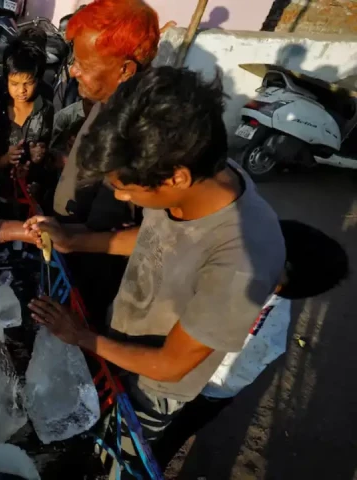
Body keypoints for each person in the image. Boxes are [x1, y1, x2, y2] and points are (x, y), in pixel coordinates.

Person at [25, 67, 286, 477]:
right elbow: (154, 239)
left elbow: (170, 364)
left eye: (128, 188)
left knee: (113, 455)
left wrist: (80, 336)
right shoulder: (199, 179)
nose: (122, 197)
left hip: (150, 389)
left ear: (177, 176)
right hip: (113, 340)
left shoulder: (243, 259)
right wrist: (75, 241)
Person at [152, 219, 350, 468]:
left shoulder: (246, 313)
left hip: (205, 388)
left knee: (165, 436)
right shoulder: (271, 292)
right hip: (220, 386)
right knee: (175, 434)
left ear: (281, 273)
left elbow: (185, 360)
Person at [0, 0, 159, 243]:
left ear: (125, 70)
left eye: (83, 64)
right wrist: (60, 161)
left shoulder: (141, 130)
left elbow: (126, 234)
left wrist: (12, 230)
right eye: (74, 62)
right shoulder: (105, 99)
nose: (73, 72)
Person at [0, 38, 54, 216]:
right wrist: (6, 158)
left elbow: (50, 154)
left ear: (38, 80)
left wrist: (40, 157)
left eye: (28, 83)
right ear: (6, 79)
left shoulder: (46, 110)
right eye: (14, 84)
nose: (21, 90)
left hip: (29, 196)